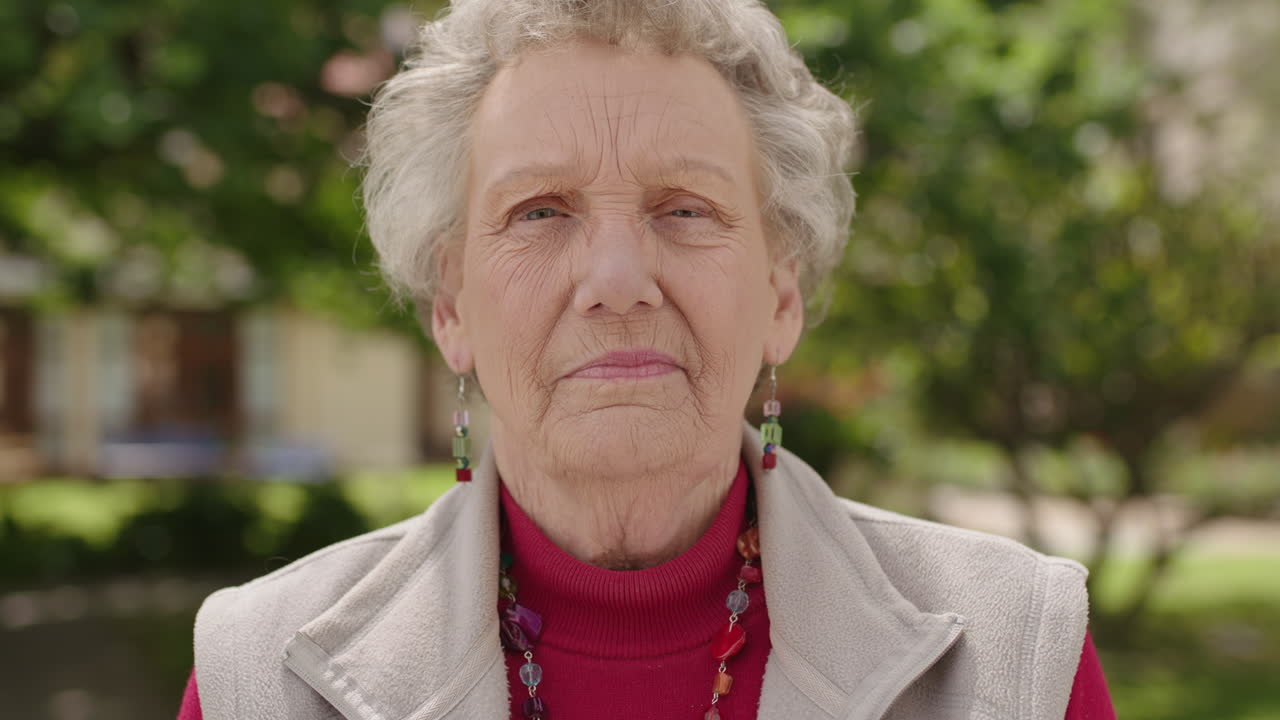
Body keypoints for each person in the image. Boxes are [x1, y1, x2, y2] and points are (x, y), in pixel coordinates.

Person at [181, 1, 1116, 718]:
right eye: (540, 210)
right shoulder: (257, 676)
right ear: (453, 306)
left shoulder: (1015, 654)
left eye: (686, 209)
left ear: (780, 297)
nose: (618, 280)